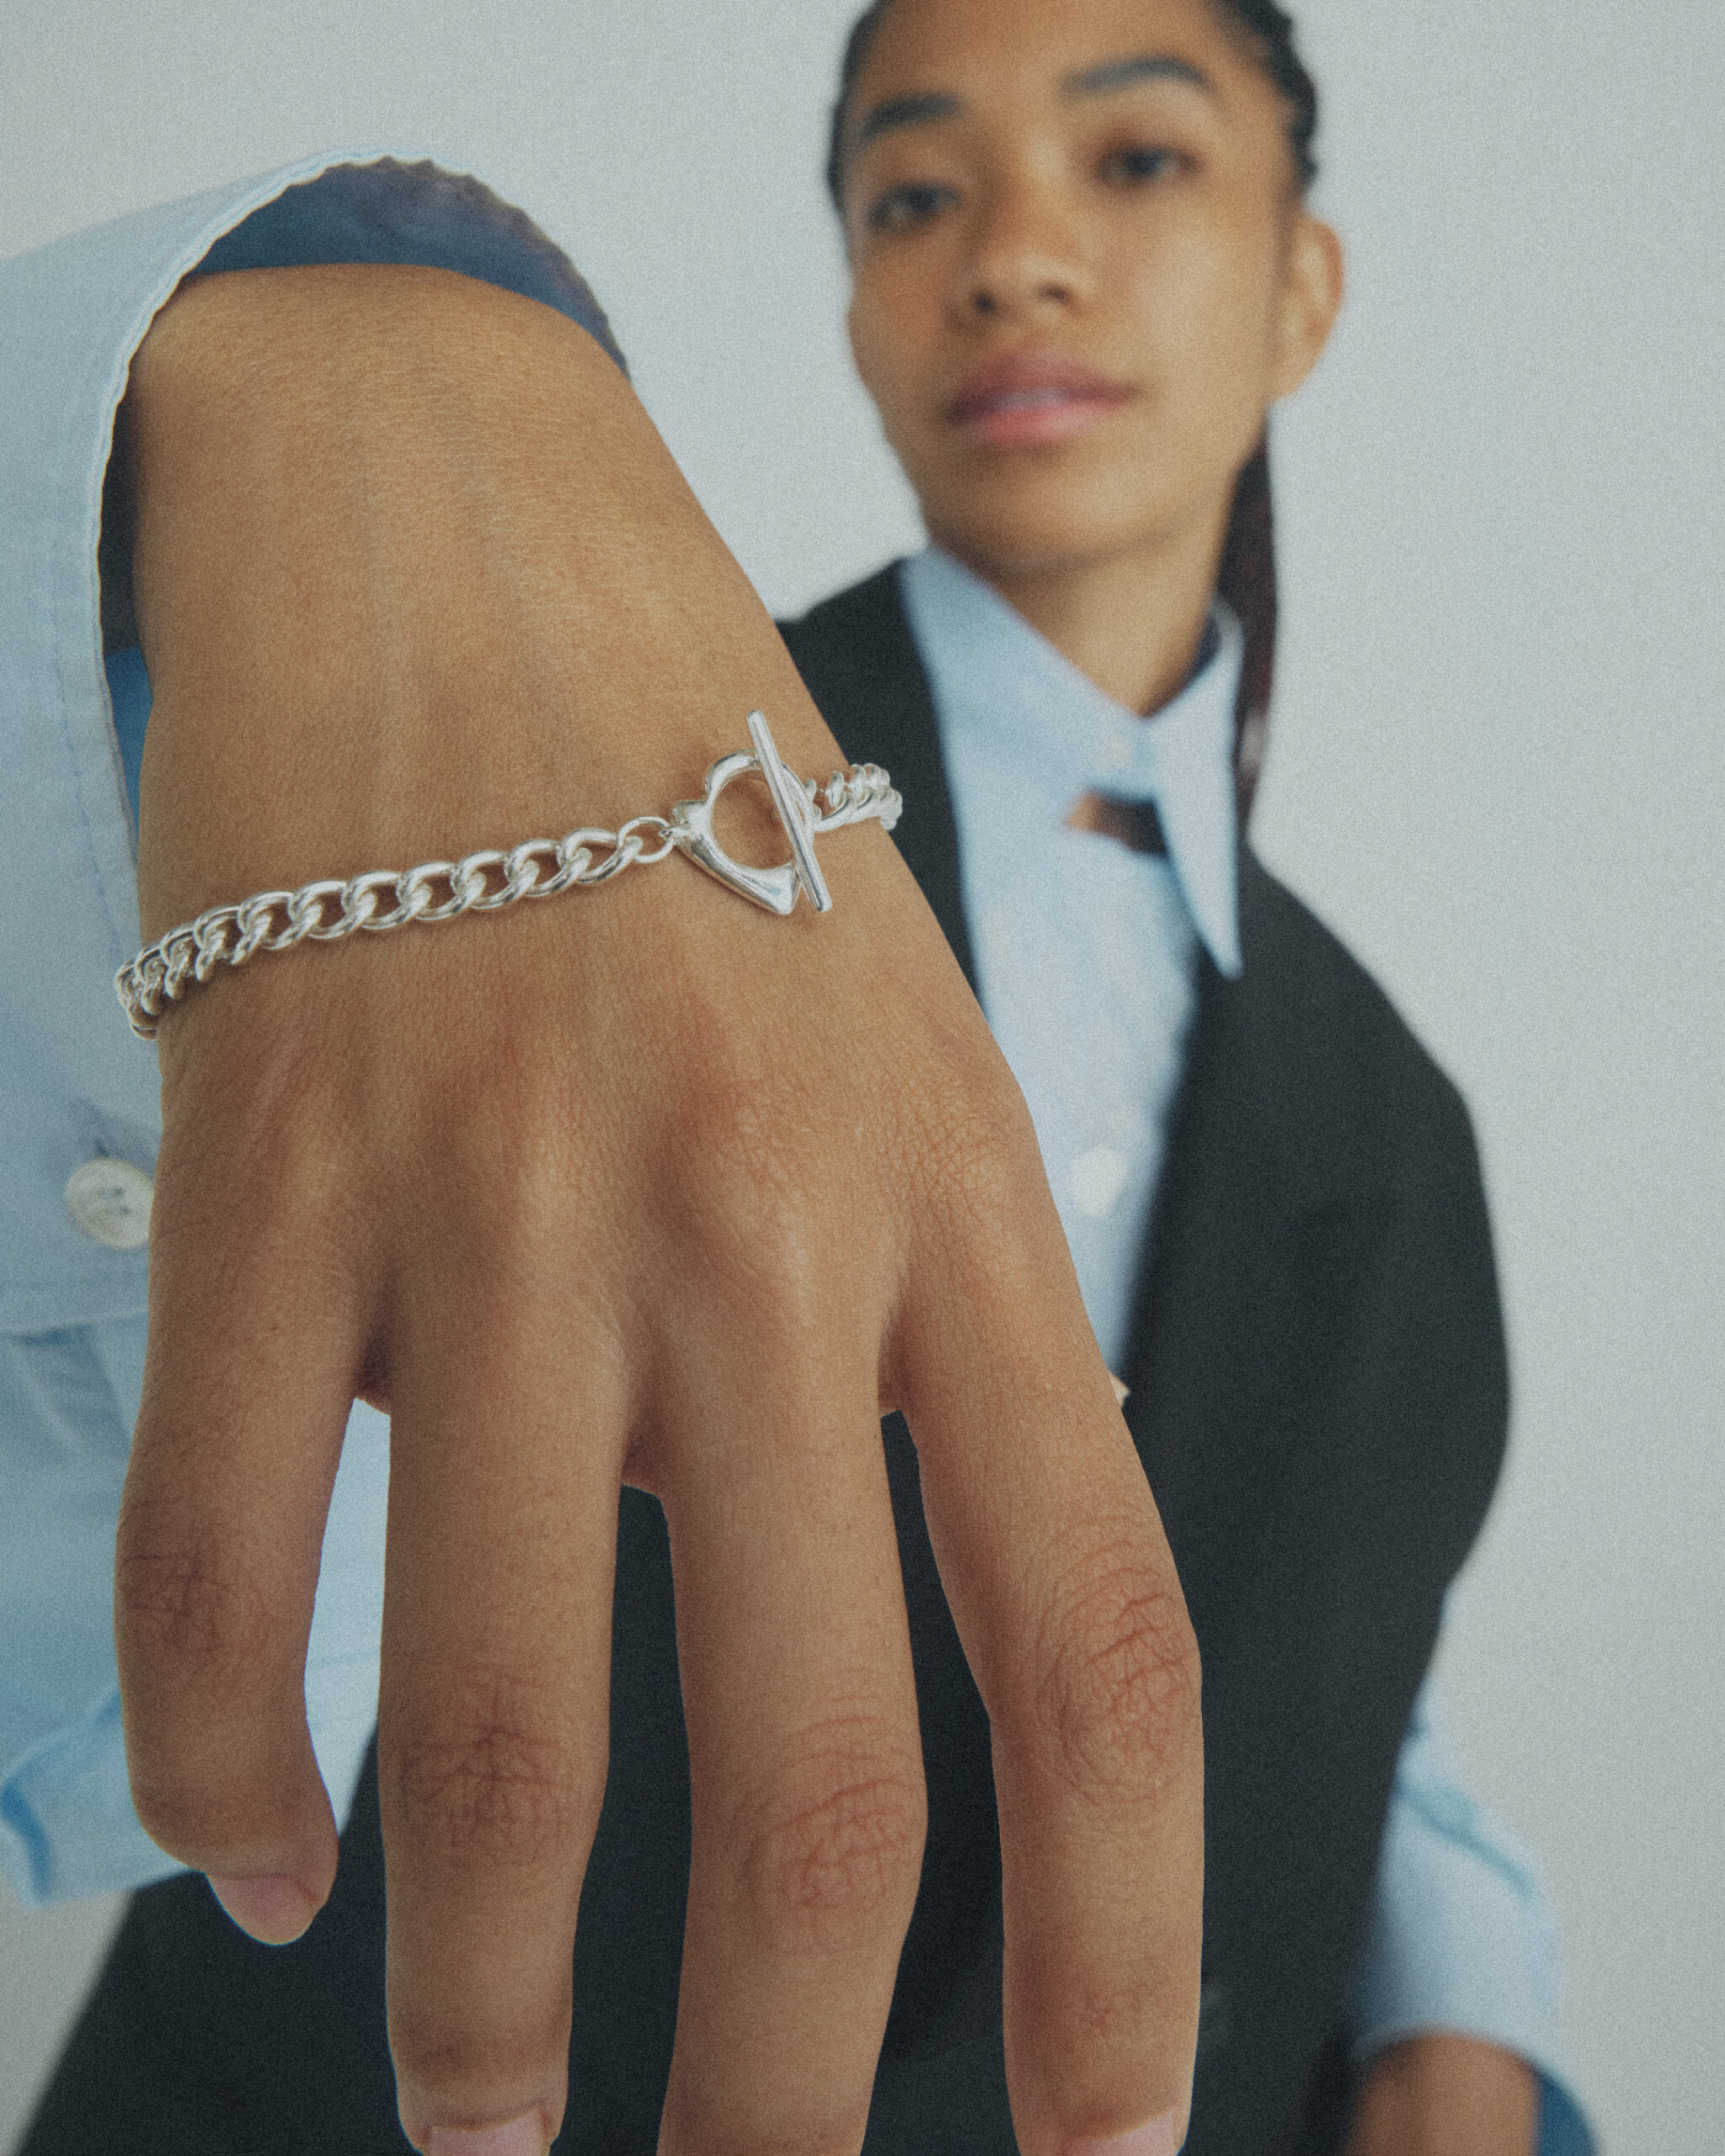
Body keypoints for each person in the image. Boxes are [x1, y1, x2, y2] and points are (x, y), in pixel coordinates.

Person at [0, 13, 1583, 2156]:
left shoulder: (1395, 1115)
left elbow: (1333, 1620)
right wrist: (328, 358)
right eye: (916, 195)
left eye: (1134, 161)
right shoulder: (514, 774)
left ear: (1303, 284)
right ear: (854, 310)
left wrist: (1458, 2009)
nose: (1013, 255)